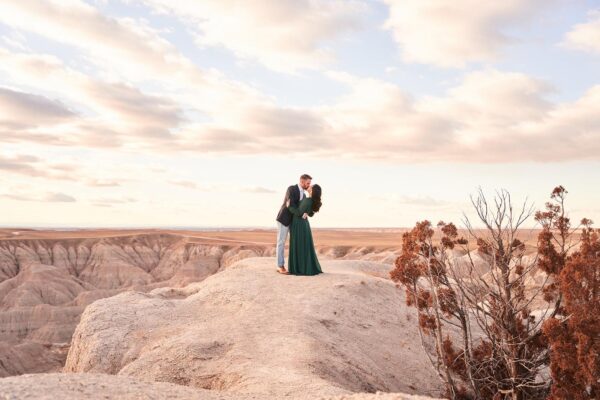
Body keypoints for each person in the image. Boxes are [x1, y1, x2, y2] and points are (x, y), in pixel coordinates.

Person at [275, 174, 312, 274]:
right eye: (308, 183)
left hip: (295, 222)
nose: (309, 185)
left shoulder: (304, 195)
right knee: (281, 242)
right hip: (284, 219)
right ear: (302, 181)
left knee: (295, 242)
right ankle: (280, 266)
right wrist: (300, 213)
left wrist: (304, 212)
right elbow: (290, 205)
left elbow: (303, 208)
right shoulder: (291, 189)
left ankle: (296, 266)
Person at [286, 184, 323, 276]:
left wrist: (289, 206)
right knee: (303, 245)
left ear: (312, 191)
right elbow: (311, 214)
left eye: (311, 186)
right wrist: (306, 212)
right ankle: (305, 267)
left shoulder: (308, 200)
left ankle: (300, 269)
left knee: (298, 245)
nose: (309, 186)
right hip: (304, 224)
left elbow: (298, 212)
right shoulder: (311, 201)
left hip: (298, 224)